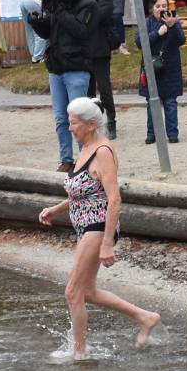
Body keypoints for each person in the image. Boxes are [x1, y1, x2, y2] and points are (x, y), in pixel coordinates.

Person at [32, 97, 163, 356]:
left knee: (72, 292)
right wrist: (57, 209)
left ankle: (78, 353)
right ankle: (145, 317)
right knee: (88, 292)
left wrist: (106, 244)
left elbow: (114, 198)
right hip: (84, 226)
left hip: (98, 226)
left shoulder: (103, 151)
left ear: (91, 125)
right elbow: (85, 191)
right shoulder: (85, 147)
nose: (70, 128)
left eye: (74, 123)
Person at [27, 0, 96, 169]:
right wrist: (36, 22)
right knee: (60, 118)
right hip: (56, 68)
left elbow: (80, 30)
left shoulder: (88, 3)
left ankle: (85, 157)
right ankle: (66, 159)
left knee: (79, 118)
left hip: (77, 67)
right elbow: (48, 31)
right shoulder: (58, 3)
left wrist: (58, 8)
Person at [136, 0, 185, 143]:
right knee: (152, 103)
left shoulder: (173, 22)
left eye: (164, 6)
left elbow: (180, 40)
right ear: (152, 9)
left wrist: (172, 26)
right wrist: (157, 33)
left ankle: (172, 134)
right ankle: (152, 134)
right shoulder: (146, 23)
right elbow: (140, 42)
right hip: (152, 66)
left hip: (170, 67)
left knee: (170, 102)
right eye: (158, 6)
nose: (161, 9)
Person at [77, 0, 117, 137]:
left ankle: (111, 122)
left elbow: (100, 15)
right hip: (85, 48)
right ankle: (92, 123)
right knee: (89, 90)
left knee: (104, 88)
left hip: (100, 47)